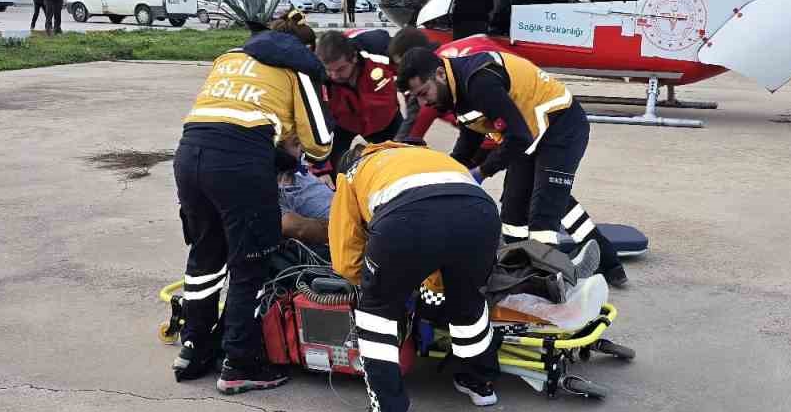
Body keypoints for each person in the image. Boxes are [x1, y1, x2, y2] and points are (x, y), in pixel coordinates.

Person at [172, 28, 334, 392]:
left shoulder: (229, 57)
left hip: (188, 156)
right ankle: (240, 363)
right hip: (239, 166)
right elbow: (320, 144)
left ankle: (194, 347)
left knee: (205, 258)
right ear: (305, 49)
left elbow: (230, 118)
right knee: (251, 264)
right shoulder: (297, 69)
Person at [396, 46, 629, 288]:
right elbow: (470, 137)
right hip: (528, 133)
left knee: (543, 216)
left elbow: (518, 138)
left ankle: (549, 285)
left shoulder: (479, 82)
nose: (424, 103)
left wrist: (482, 172)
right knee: (514, 212)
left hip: (561, 126)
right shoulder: (455, 88)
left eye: (424, 93)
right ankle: (525, 271)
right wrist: (451, 173)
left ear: (439, 74)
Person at [329, 141, 504, 412]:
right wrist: (431, 290)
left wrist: (375, 287)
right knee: (467, 300)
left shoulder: (352, 172)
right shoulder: (427, 156)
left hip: (406, 220)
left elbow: (345, 256)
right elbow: (443, 231)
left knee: (376, 317)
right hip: (481, 215)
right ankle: (480, 383)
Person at [315, 29, 402, 165]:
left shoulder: (379, 53)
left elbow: (411, 72)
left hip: (388, 121)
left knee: (400, 160)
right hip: (345, 125)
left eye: (340, 69)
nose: (334, 76)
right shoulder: (318, 77)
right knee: (336, 164)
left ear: (354, 57)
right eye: (329, 70)